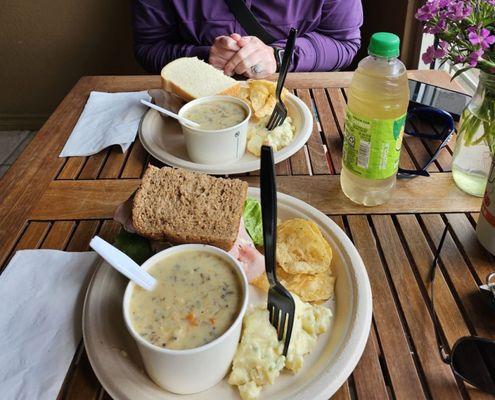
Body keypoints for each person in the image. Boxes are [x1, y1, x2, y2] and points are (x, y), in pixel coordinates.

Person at [132, 0, 363, 78]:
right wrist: (203, 58)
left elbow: (344, 42)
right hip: (191, 100)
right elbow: (150, 47)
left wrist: (279, 56)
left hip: (294, 95)